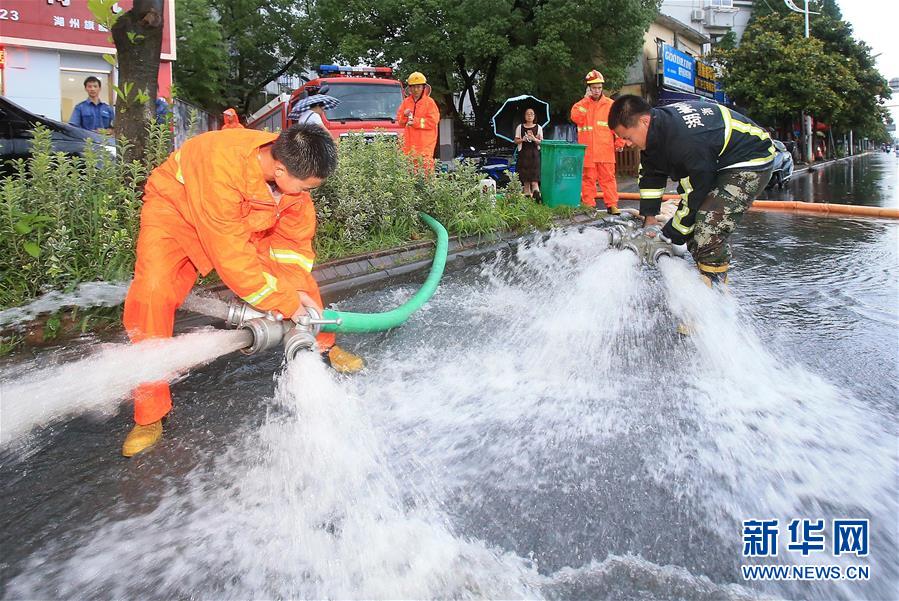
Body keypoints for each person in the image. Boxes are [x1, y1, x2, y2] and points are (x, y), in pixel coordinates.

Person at [120, 123, 364, 457]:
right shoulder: (220, 166)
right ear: (280, 169)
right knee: (151, 295)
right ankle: (149, 415)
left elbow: (294, 247)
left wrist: (292, 294)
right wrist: (281, 301)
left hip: (244, 216)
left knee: (301, 285)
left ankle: (323, 344)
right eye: (306, 187)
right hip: (176, 213)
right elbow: (232, 258)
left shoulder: (291, 184)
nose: (307, 195)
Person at [609, 95, 775, 287]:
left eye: (627, 137)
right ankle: (704, 274)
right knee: (692, 227)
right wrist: (650, 220)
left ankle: (715, 294)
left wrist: (670, 235)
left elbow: (696, 193)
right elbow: (650, 177)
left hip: (750, 159)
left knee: (708, 226)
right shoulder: (656, 132)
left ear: (644, 121)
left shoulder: (684, 141)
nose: (627, 144)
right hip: (717, 160)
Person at [570, 70, 626, 214]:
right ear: (588, 88)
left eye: (599, 87)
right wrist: (585, 101)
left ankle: (612, 205)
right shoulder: (580, 105)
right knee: (588, 179)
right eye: (594, 88)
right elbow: (576, 118)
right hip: (588, 151)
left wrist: (620, 142)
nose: (597, 90)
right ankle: (589, 205)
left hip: (605, 150)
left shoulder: (610, 104)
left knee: (608, 178)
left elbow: (618, 125)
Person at [395, 72, 440, 171]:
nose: (416, 89)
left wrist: (415, 122)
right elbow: (400, 122)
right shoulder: (406, 102)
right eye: (413, 87)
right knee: (409, 174)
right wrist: (404, 116)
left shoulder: (430, 103)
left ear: (423, 87)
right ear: (409, 88)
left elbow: (433, 121)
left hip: (425, 146)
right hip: (409, 147)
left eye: (418, 87)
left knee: (425, 173)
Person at [514, 108, 543, 201]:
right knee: (526, 180)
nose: (529, 116)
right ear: (525, 116)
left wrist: (534, 139)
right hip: (523, 156)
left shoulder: (539, 127)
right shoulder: (520, 127)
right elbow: (516, 140)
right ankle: (527, 199)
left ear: (534, 116)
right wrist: (523, 139)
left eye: (531, 114)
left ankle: (537, 196)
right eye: (527, 114)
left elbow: (541, 143)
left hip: (535, 156)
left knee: (534, 180)